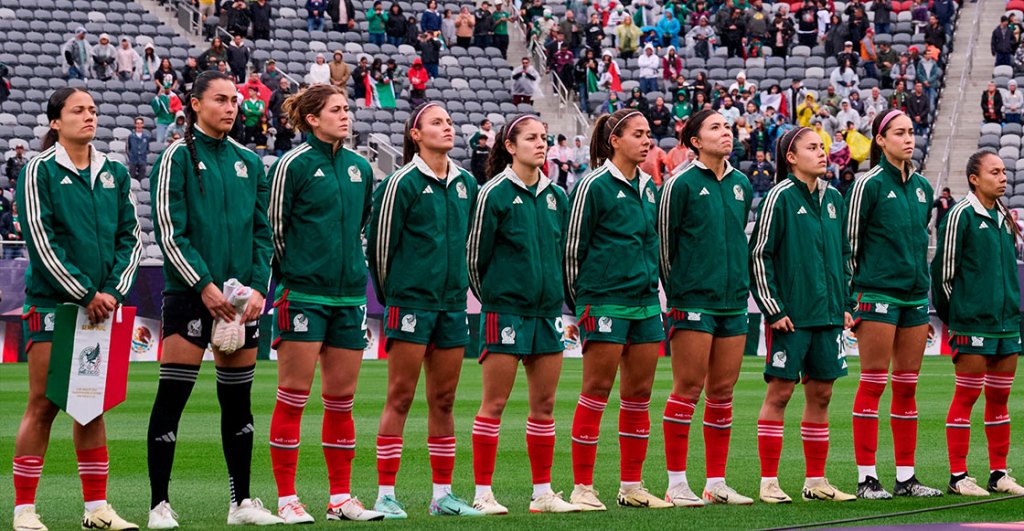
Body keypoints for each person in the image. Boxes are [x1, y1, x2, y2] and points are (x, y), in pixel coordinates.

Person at [146, 71, 282, 529]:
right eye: (221, 100)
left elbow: (263, 234)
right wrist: (203, 284)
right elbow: (169, 230)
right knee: (172, 399)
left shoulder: (250, 160)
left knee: (238, 404)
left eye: (235, 100)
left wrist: (259, 287)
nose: (231, 107)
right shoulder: (176, 157)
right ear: (196, 104)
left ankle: (241, 502)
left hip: (240, 302)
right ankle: (159, 504)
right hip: (189, 296)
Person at [10, 87, 142, 531]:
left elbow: (132, 238)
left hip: (102, 307)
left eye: (92, 110)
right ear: (54, 122)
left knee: (91, 407)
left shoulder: (115, 172)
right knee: (43, 404)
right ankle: (25, 510)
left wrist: (112, 292)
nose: (89, 116)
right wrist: (86, 293)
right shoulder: (38, 170)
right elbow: (40, 240)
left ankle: (97, 510)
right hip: (54, 304)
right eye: (77, 110)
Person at [265, 85, 386, 523]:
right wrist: (296, 273)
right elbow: (274, 231)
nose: (346, 115)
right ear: (312, 119)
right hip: (303, 295)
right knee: (293, 397)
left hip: (350, 296)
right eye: (336, 109)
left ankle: (340, 498)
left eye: (347, 108)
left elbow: (361, 225)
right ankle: (286, 499)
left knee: (342, 401)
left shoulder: (360, 168)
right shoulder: (292, 165)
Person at [365, 102, 482, 518]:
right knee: (399, 396)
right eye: (437, 122)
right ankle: (384, 494)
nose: (447, 127)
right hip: (410, 303)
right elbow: (380, 247)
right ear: (415, 134)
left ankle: (443, 496)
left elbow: (472, 246)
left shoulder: (467, 182)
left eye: (450, 121)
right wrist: (395, 295)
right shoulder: (401, 182)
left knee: (445, 401)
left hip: (451, 304)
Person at [466, 114, 579, 514]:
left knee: (544, 407)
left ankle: (542, 493)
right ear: (510, 146)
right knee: (493, 404)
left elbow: (564, 256)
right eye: (531, 138)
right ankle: (483, 493)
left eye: (544, 138)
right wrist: (498, 298)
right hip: (505, 311)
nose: (541, 144)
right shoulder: (493, 193)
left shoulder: (558, 196)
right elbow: (475, 259)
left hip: (548, 312)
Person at [565, 108, 673, 512]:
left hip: (645, 305)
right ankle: (582, 487)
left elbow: (654, 246)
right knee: (595, 393)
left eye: (649, 135)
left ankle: (632, 486)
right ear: (616, 140)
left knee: (639, 396)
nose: (648, 142)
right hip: (604, 300)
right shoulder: (592, 185)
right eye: (639, 135)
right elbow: (573, 250)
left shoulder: (649, 186)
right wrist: (578, 306)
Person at [750, 124, 858, 506]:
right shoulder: (778, 197)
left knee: (823, 394)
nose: (822, 152)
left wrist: (846, 304)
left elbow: (846, 254)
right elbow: (759, 254)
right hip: (791, 316)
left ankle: (816, 480)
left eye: (823, 146)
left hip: (828, 315)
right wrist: (774, 308)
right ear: (791, 158)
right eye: (812, 147)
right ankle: (768, 481)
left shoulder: (835, 198)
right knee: (779, 392)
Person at [658, 109, 754, 507]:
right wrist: (680, 290)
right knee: (688, 389)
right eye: (715, 127)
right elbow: (664, 245)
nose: (725, 132)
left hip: (733, 301)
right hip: (692, 300)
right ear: (694, 141)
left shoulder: (742, 183)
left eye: (727, 126)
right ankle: (677, 483)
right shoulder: (679, 183)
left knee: (722, 392)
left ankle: (716, 483)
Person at [845, 109, 941, 500]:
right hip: (877, 294)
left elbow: (920, 243)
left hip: (915, 298)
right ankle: (867, 477)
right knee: (873, 382)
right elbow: (848, 245)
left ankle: (906, 477)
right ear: (880, 140)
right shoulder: (866, 184)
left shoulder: (922, 188)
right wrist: (850, 300)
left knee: (906, 388)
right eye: (899, 132)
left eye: (911, 131)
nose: (909, 138)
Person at [933, 150, 1024, 498]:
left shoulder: (1004, 216)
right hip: (972, 324)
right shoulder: (960, 216)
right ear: (974, 178)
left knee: (1000, 399)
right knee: (967, 396)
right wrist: (955, 318)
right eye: (995, 172)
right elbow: (942, 276)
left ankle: (998, 474)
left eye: (1004, 171)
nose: (1003, 177)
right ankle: (958, 476)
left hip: (1006, 325)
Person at [126, 117, 152, 181]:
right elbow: (128, 148)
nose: (139, 125)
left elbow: (147, 148)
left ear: (143, 125)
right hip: (133, 159)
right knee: (131, 178)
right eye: (137, 123)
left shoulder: (146, 137)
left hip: (142, 160)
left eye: (141, 123)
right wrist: (131, 156)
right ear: (135, 125)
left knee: (142, 178)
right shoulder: (131, 136)